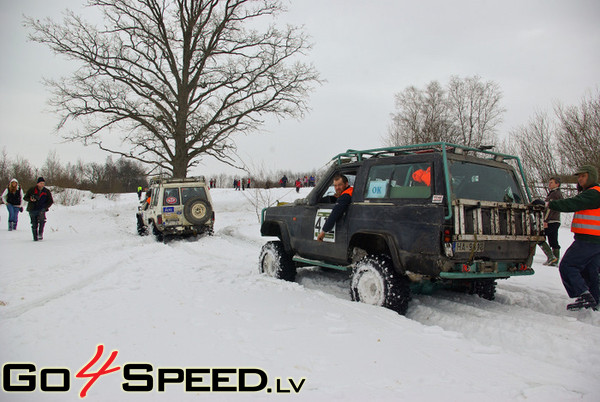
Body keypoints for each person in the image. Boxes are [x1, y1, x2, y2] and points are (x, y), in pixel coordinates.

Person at [548, 165, 600, 310]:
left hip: (588, 239)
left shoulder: (593, 193)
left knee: (567, 266)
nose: (580, 179)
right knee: (590, 271)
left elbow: (572, 203)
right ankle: (595, 302)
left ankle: (583, 295)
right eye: (578, 177)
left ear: (591, 176)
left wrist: (548, 204)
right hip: (595, 241)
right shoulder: (593, 193)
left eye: (583, 176)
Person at [317, 174, 353, 242]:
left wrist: (323, 232)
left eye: (340, 185)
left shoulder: (345, 196)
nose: (337, 188)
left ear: (346, 184)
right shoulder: (350, 191)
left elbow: (334, 214)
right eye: (335, 185)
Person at [538, 177, 564, 266]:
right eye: (549, 182)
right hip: (556, 220)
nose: (549, 184)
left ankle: (551, 257)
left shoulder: (554, 194)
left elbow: (550, 209)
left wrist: (545, 220)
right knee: (553, 240)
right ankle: (555, 260)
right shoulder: (556, 193)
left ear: (557, 184)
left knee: (539, 237)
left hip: (551, 220)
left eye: (552, 183)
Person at [24, 177, 54, 241]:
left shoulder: (46, 191)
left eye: (43, 183)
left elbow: (50, 201)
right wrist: (30, 199)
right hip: (32, 209)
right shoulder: (32, 190)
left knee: (42, 221)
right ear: (37, 183)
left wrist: (45, 207)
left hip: (42, 209)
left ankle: (40, 234)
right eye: (41, 183)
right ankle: (35, 237)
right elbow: (25, 197)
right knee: (34, 223)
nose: (42, 185)